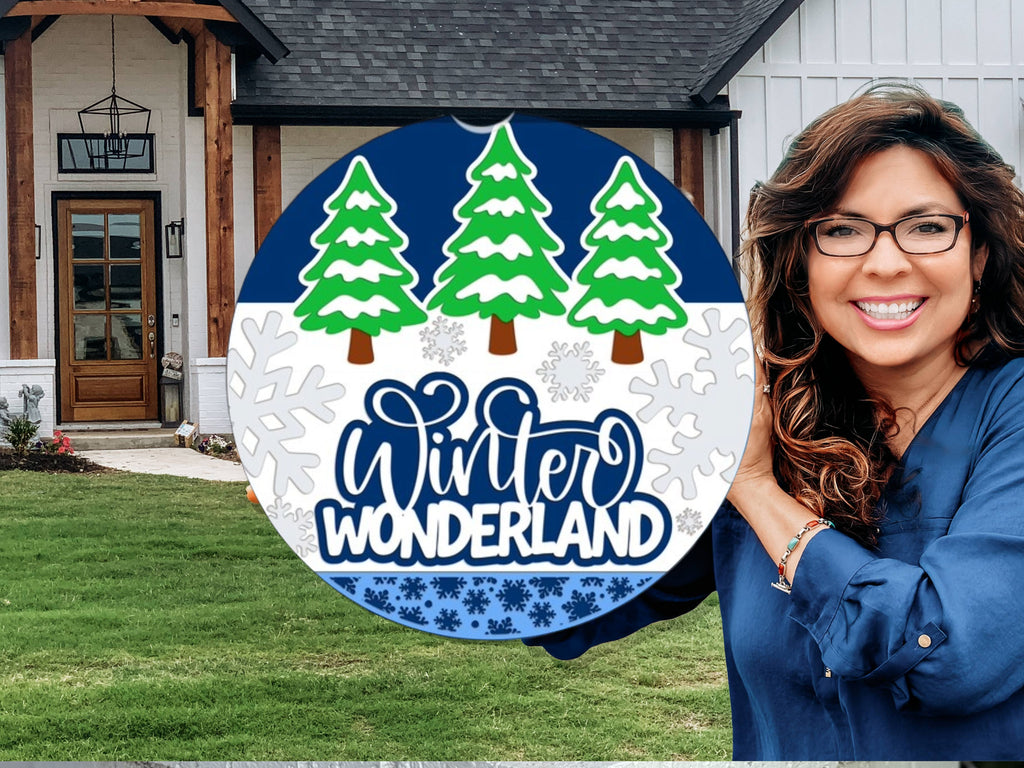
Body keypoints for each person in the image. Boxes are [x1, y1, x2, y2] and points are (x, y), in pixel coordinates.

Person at [526, 83, 1024, 760]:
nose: (884, 262)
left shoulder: (1009, 414)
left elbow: (951, 656)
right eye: (842, 230)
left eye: (927, 226)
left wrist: (758, 489)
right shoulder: (765, 415)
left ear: (981, 252)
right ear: (801, 263)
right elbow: (567, 598)